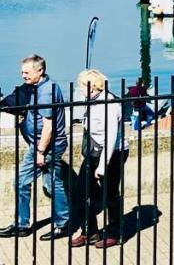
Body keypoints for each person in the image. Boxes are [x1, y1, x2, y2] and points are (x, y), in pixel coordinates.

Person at [0, 55, 71, 240]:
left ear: (40, 71)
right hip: (43, 144)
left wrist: (40, 151)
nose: (23, 75)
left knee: (22, 181)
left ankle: (23, 224)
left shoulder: (46, 91)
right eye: (22, 72)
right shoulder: (38, 87)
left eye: (26, 72)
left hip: (45, 146)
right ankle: (63, 222)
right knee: (52, 184)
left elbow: (49, 125)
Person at [71, 69, 128, 249]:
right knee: (81, 192)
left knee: (110, 194)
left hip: (113, 152)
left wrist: (103, 165)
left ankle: (114, 233)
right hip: (94, 151)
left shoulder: (109, 103)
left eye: (81, 86)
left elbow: (111, 137)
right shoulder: (91, 102)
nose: (79, 90)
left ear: (92, 87)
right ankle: (90, 231)